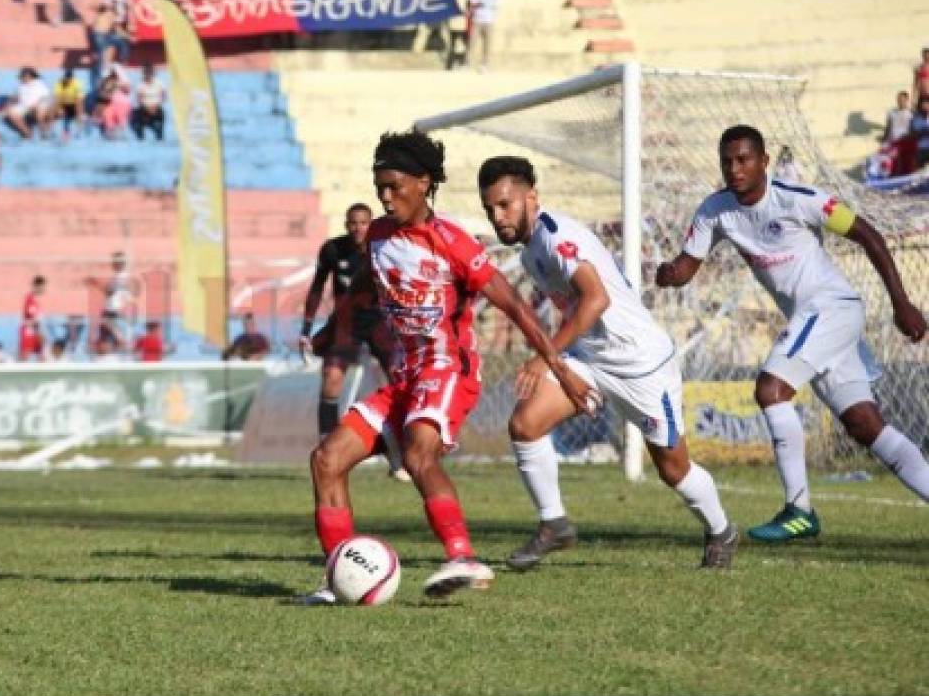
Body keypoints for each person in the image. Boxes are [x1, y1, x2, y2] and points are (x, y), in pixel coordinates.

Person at [299, 130, 598, 605]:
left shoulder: (452, 244)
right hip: (403, 377)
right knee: (326, 459)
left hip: (448, 371)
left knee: (420, 454)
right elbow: (365, 293)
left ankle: (462, 556)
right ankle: (339, 580)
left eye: (395, 186)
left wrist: (557, 368)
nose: (385, 197)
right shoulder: (377, 236)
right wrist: (332, 330)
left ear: (423, 183)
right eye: (379, 188)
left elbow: (516, 307)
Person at [656, 124, 929, 542]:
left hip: (832, 308)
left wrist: (901, 302)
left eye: (744, 159)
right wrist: (670, 274)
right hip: (813, 322)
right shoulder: (715, 210)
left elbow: (868, 235)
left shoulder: (799, 199)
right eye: (727, 161)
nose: (735, 168)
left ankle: (798, 509)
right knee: (865, 425)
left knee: (770, 389)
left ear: (764, 161)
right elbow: (687, 265)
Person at [477, 156, 737, 570]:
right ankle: (553, 524)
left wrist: (547, 359)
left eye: (505, 204)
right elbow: (578, 312)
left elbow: (597, 300)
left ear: (532, 197)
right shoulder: (530, 255)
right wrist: (560, 366)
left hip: (640, 364)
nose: (498, 217)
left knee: (674, 470)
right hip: (591, 357)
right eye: (489, 208)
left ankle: (721, 531)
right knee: (525, 425)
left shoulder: (557, 236)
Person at [299, 203, 404, 479]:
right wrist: (306, 329)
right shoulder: (333, 250)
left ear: (371, 225)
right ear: (346, 225)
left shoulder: (384, 248)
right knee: (331, 379)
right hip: (346, 322)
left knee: (398, 380)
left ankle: (399, 451)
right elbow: (317, 287)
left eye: (363, 223)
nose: (358, 228)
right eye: (353, 223)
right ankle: (328, 450)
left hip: (381, 320)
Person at [88, 252, 132, 354]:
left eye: (115, 262)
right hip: (112, 306)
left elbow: (109, 291)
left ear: (121, 264)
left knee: (106, 324)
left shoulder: (120, 277)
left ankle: (121, 340)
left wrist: (95, 283)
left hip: (112, 307)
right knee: (104, 334)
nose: (112, 264)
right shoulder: (120, 276)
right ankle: (116, 344)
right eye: (113, 262)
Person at [4, 67, 52, 139]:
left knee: (40, 112)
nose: (23, 78)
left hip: (38, 105)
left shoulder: (39, 84)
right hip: (24, 106)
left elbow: (45, 97)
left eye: (24, 76)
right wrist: (9, 104)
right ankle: (27, 132)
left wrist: (36, 105)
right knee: (10, 112)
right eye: (22, 76)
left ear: (29, 76)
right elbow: (16, 97)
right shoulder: (21, 86)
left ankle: (43, 133)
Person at [469, 0, 498, 73]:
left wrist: (483, 3)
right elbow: (473, 1)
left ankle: (484, 64)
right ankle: (468, 63)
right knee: (472, 42)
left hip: (488, 19)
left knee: (487, 44)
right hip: (477, 19)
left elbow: (496, 4)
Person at [131, 64, 165, 141]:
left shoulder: (159, 83)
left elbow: (163, 97)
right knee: (138, 130)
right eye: (147, 73)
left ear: (153, 74)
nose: (148, 75)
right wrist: (148, 108)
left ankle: (159, 135)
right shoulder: (139, 84)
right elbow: (139, 100)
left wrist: (155, 106)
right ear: (144, 74)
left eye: (150, 73)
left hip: (156, 109)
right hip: (142, 111)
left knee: (159, 129)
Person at [52, 68, 85, 142]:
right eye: (67, 78)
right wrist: (59, 109)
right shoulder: (60, 83)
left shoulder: (77, 83)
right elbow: (56, 98)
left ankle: (79, 128)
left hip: (74, 104)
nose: (68, 80)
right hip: (64, 104)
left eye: (69, 78)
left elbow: (79, 99)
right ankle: (51, 129)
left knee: (78, 105)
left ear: (72, 78)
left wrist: (79, 112)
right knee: (53, 107)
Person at [19, 275, 47, 361]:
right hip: (29, 332)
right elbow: (32, 319)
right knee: (25, 355)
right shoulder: (30, 300)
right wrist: (40, 334)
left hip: (34, 331)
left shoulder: (34, 300)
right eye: (42, 287)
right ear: (36, 286)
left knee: (41, 355)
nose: (43, 289)